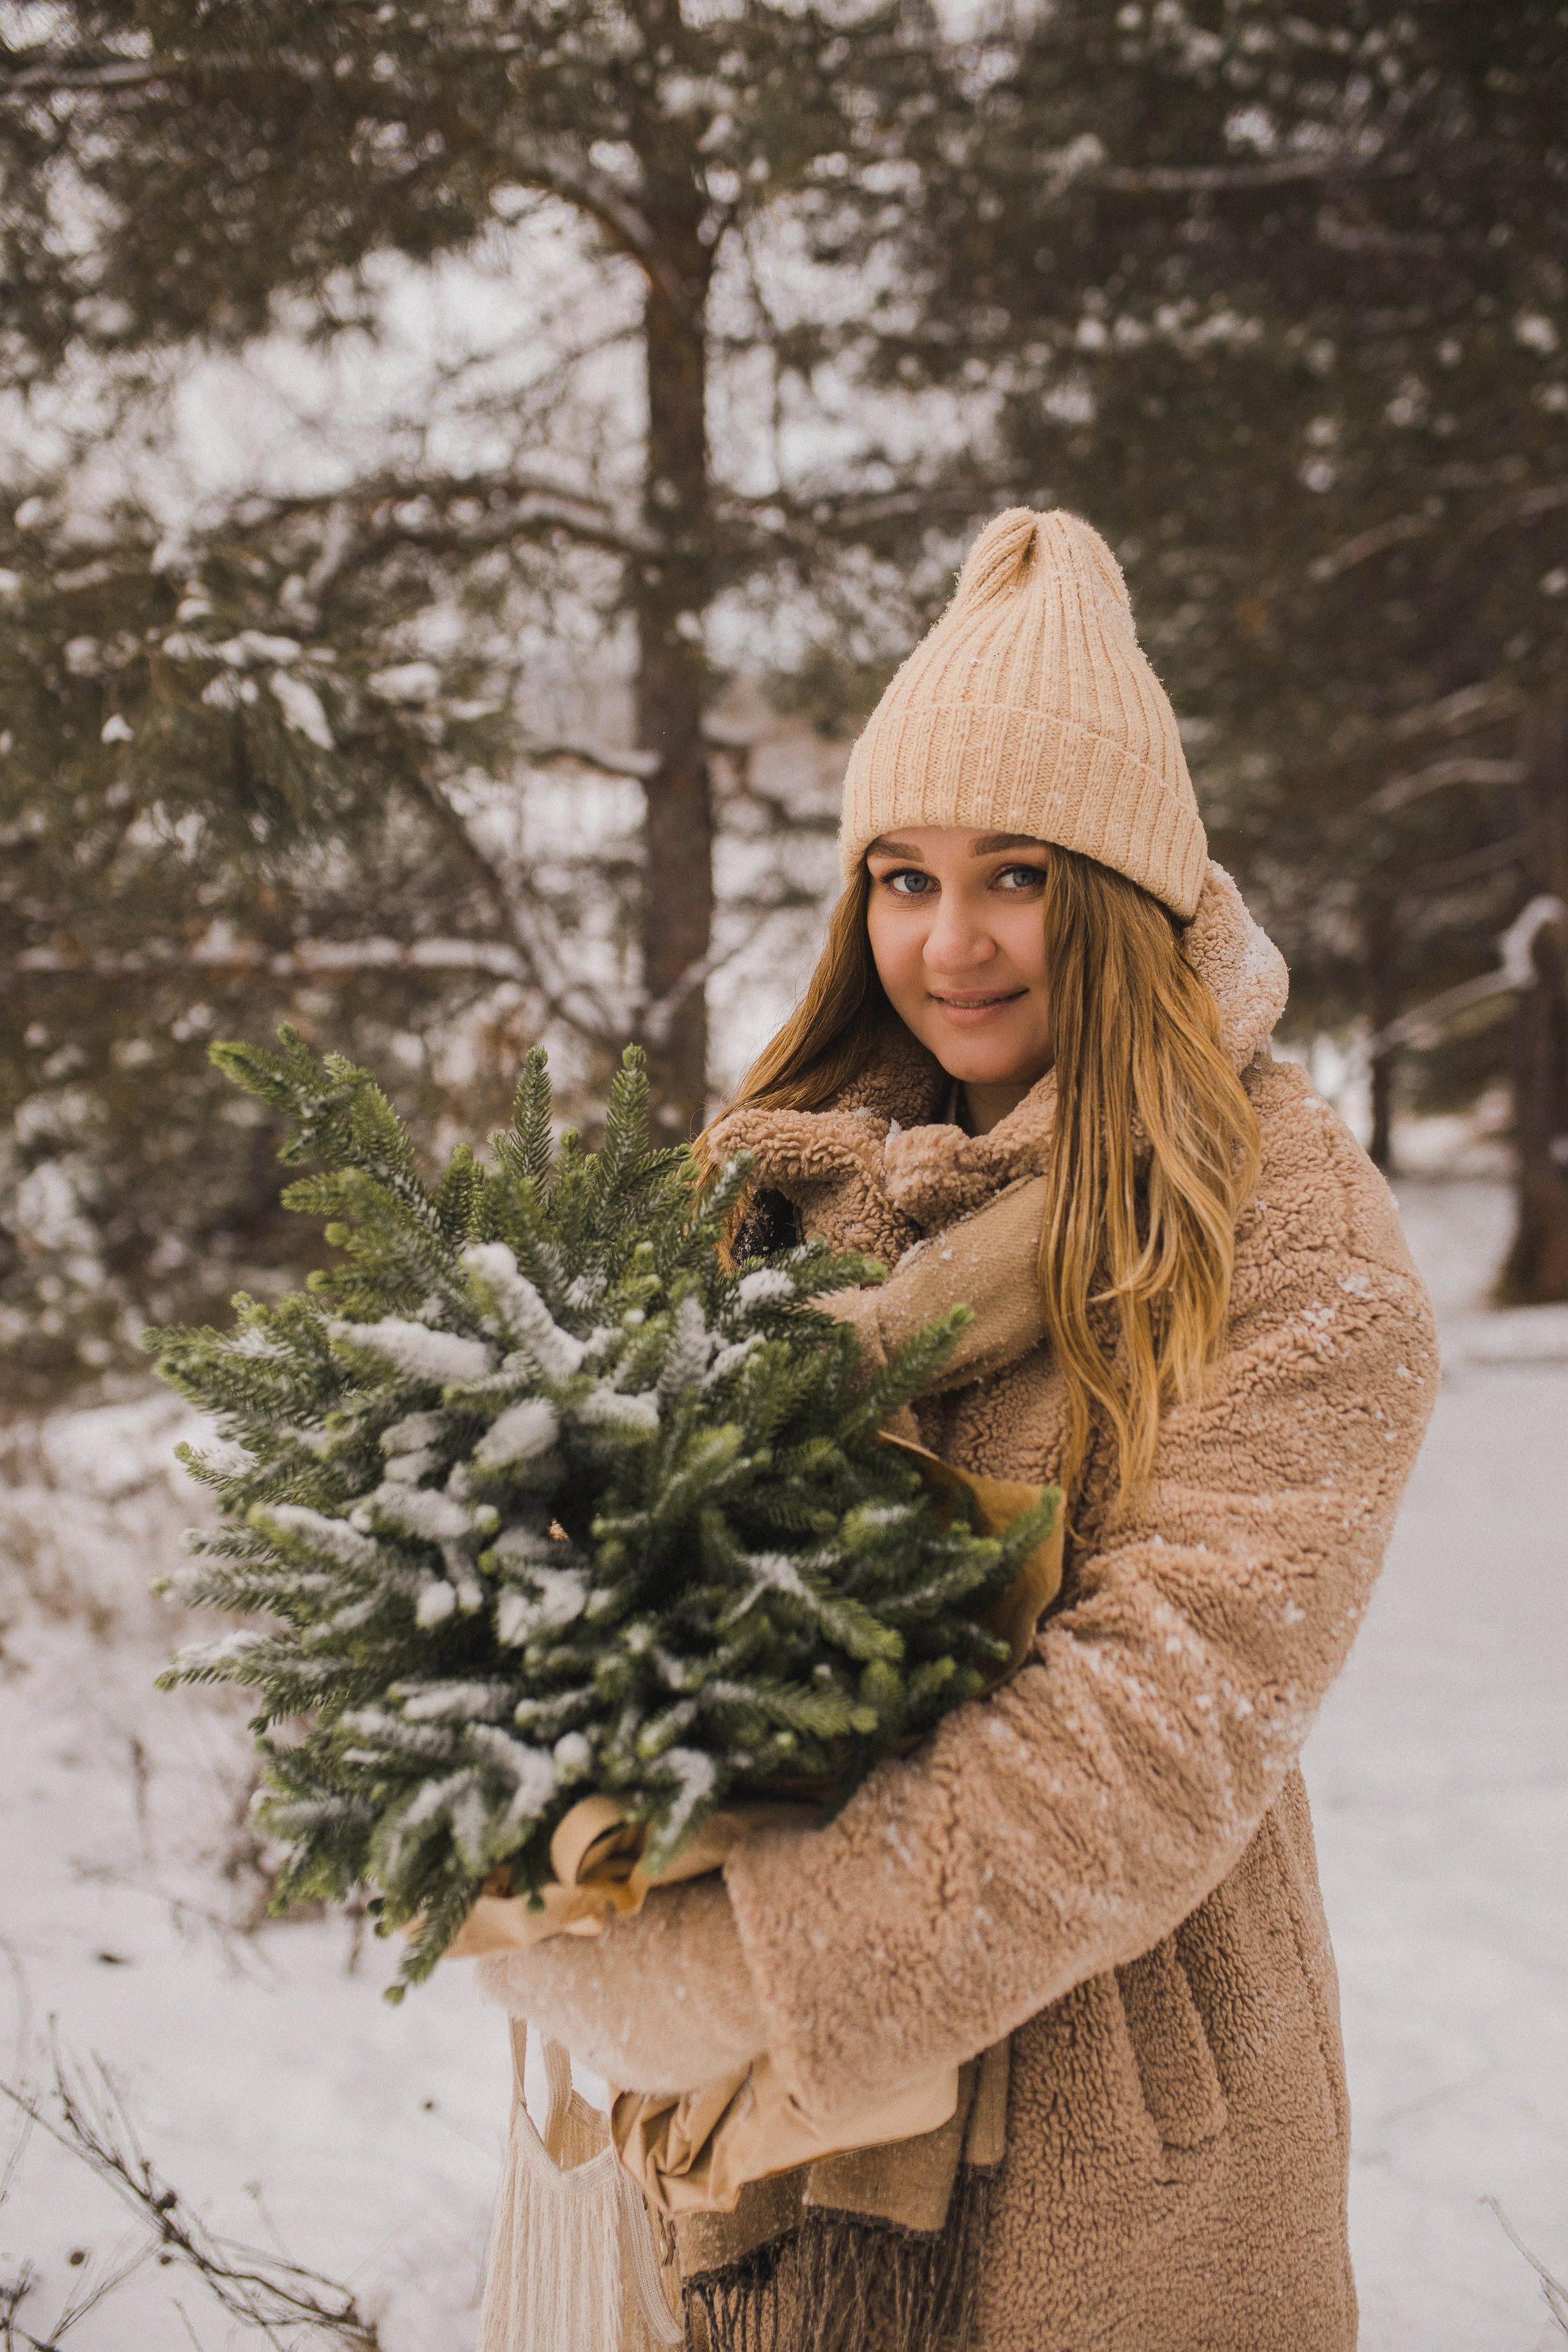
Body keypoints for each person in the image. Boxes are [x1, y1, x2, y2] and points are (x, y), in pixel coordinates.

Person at [480, 508, 1439, 2351]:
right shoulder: (774, 1185)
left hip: (1102, 2132)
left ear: (1126, 894)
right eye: (902, 879)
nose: (954, 941)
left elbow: (1168, 1713)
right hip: (732, 2159)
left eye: (1017, 874)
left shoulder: (1287, 1229)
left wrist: (764, 1959)